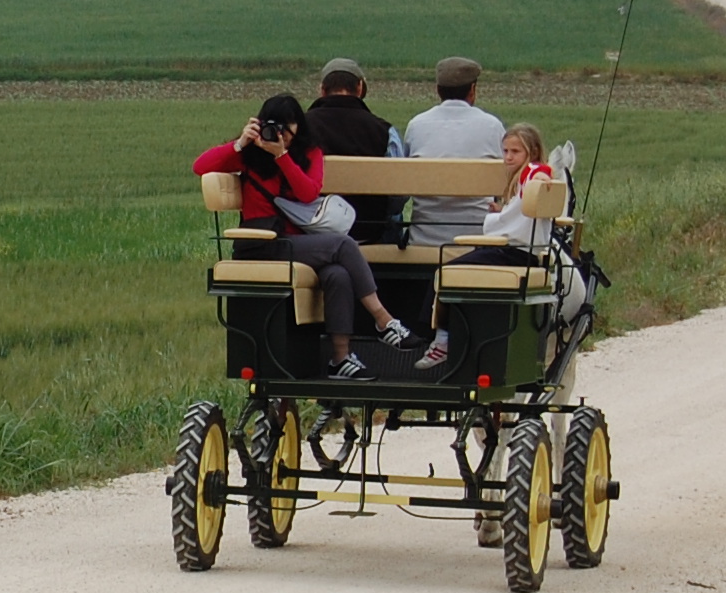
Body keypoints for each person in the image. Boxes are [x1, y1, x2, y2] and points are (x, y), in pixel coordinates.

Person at [192, 93, 417, 380]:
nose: (281, 135)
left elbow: (307, 192)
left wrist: (282, 157)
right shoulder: (248, 153)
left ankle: (340, 358)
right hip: (260, 241)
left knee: (337, 273)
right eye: (274, 127)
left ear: (299, 126)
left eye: (288, 128)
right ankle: (383, 320)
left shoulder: (309, 153)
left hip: (295, 241)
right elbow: (200, 167)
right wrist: (239, 144)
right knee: (343, 245)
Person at [415, 123, 554, 370]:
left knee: (445, 273)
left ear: (531, 153)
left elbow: (539, 173)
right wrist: (503, 211)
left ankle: (441, 340)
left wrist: (542, 177)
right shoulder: (518, 182)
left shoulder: (530, 172)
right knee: (449, 269)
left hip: (514, 254)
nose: (509, 157)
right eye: (506, 151)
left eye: (515, 152)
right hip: (511, 251)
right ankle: (440, 337)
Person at [405, 55, 507, 247]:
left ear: (438, 90)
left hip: (423, 240)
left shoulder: (417, 125)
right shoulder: (492, 126)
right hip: (477, 238)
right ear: (472, 90)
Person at [305, 57, 406, 245]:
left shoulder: (300, 128)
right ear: (359, 88)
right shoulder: (385, 131)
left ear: (322, 90)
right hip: (371, 234)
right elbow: (398, 197)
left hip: (312, 232)